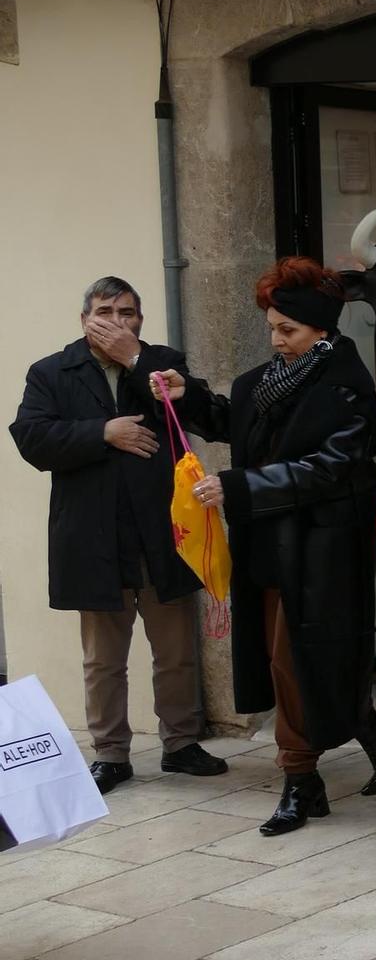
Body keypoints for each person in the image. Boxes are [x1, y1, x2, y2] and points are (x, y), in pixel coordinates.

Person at [162, 258, 376, 834]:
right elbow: (236, 420)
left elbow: (330, 466)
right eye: (272, 326)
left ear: (321, 328)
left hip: (323, 550)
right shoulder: (265, 380)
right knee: (298, 663)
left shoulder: (347, 388)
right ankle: (373, 731)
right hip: (268, 543)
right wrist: (188, 396)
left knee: (297, 661)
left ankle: (302, 780)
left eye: (287, 330)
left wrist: (241, 485)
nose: (276, 339)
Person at [9, 278, 226, 791]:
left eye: (127, 311)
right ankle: (110, 753)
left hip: (162, 529)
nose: (116, 320)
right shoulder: (51, 372)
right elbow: (31, 438)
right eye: (105, 310)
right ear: (84, 319)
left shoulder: (160, 363)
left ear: (140, 320)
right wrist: (102, 433)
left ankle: (181, 742)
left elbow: (202, 412)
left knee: (175, 650)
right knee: (102, 658)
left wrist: (136, 360)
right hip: (93, 535)